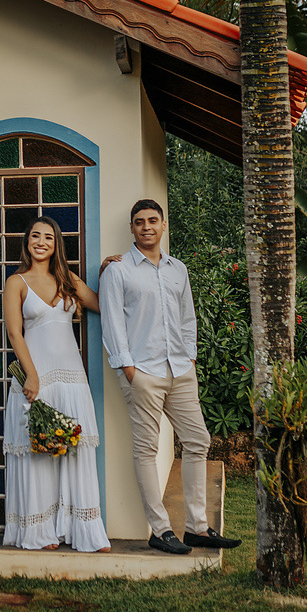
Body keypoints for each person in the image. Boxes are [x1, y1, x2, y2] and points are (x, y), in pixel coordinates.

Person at [98, 199, 241, 554]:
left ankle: (197, 527)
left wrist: (189, 357)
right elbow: (112, 321)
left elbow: (187, 318)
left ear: (163, 226)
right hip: (142, 372)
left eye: (152, 220)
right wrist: (128, 369)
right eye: (139, 222)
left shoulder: (179, 269)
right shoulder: (118, 271)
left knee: (198, 440)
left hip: (180, 370)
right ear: (132, 228)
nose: (146, 226)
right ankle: (159, 530)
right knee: (146, 449)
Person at [2, 216, 111, 552]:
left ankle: (84, 531)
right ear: (27, 241)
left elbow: (102, 305)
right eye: (35, 235)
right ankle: (40, 531)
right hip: (37, 377)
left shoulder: (67, 279)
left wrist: (110, 271)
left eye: (48, 237)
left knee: (75, 450)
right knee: (38, 453)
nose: (41, 241)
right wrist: (30, 375)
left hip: (72, 378)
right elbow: (14, 332)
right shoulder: (16, 281)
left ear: (56, 244)